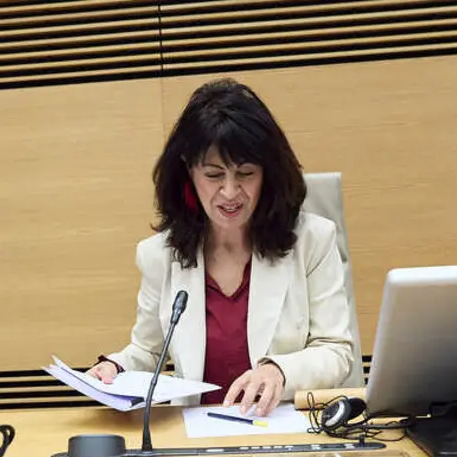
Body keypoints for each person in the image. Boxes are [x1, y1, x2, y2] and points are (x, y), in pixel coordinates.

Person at [86, 79, 356, 416]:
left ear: (267, 174)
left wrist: (280, 371)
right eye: (214, 175)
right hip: (195, 435)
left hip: (281, 429)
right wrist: (114, 368)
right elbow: (148, 351)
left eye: (246, 173)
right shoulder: (160, 255)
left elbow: (336, 351)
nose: (230, 192)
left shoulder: (313, 241)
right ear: (189, 171)